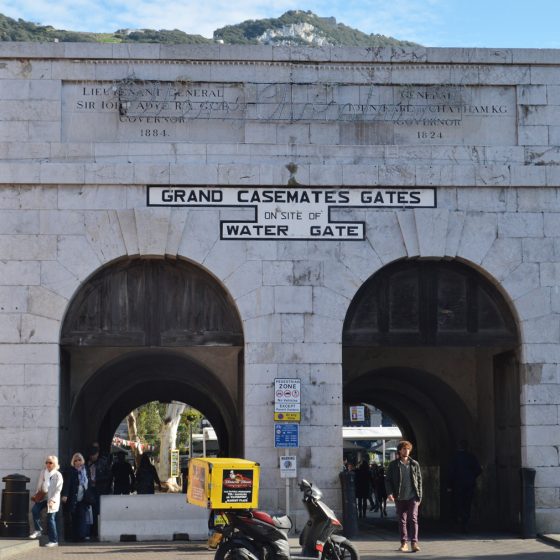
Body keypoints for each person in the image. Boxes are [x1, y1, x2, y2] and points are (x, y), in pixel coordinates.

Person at [386, 440, 422, 553]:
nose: (406, 451)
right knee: (402, 520)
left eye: (408, 449)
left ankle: (414, 543)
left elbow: (419, 480)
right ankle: (404, 543)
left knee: (413, 518)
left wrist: (419, 496)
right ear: (400, 451)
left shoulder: (414, 464)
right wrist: (390, 493)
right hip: (399, 496)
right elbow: (388, 480)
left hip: (413, 496)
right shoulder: (393, 465)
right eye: (404, 449)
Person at [447, 440, 482, 533]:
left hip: (457, 485)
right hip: (470, 484)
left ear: (458, 446)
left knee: (458, 503)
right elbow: (479, 469)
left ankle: (461, 519)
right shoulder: (471, 457)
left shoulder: (454, 457)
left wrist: (449, 485)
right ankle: (465, 522)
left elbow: (451, 472)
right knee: (467, 503)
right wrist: (472, 477)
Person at [29, 455, 63, 547]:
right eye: (47, 462)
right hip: (43, 497)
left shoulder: (58, 475)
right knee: (34, 510)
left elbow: (58, 490)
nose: (48, 464)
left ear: (55, 464)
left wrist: (52, 500)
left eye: (50, 463)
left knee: (51, 519)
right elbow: (39, 484)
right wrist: (37, 495)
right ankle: (38, 530)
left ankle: (54, 540)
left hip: (52, 499)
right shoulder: (43, 472)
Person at [61, 452, 92, 541]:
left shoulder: (85, 470)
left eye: (79, 460)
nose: (78, 462)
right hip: (74, 497)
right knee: (74, 517)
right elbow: (67, 484)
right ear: (73, 462)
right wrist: (65, 495)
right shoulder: (70, 471)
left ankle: (81, 535)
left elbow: (88, 483)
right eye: (76, 460)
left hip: (83, 497)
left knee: (82, 516)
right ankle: (75, 536)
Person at [86, 443, 111, 538]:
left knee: (99, 511)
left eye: (94, 455)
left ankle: (98, 531)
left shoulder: (102, 463)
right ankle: (91, 531)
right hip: (90, 490)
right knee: (91, 511)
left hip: (100, 490)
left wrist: (97, 480)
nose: (92, 457)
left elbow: (108, 476)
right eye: (91, 455)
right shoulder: (87, 463)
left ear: (97, 454)